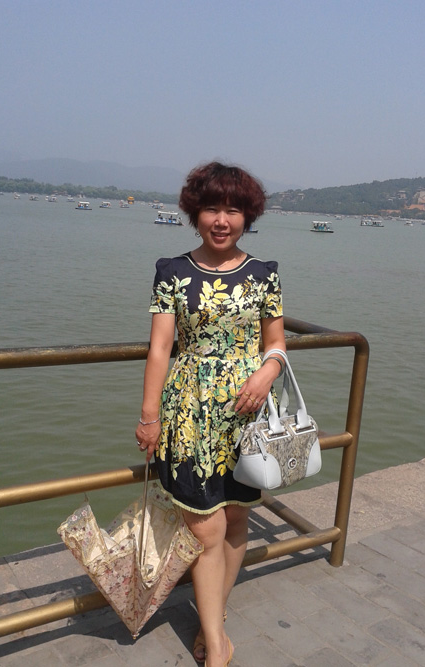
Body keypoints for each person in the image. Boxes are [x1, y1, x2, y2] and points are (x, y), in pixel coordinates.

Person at [135, 162, 286, 667]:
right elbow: (160, 349)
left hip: (247, 415)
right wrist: (149, 416)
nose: (222, 220)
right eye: (212, 209)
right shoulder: (172, 272)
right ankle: (217, 645)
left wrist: (267, 372)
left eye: (233, 210)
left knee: (238, 518)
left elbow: (276, 342)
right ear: (195, 214)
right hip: (189, 414)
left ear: (248, 217)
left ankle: (211, 623)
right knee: (205, 529)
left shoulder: (264, 274)